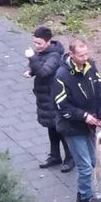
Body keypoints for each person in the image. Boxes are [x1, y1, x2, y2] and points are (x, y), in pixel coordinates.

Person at [54, 38, 101, 202]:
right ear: (71, 54)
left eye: (87, 54)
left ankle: (82, 195)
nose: (85, 58)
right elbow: (61, 105)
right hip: (72, 126)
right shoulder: (61, 76)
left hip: (89, 126)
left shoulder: (91, 69)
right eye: (81, 55)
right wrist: (84, 116)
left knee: (92, 162)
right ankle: (86, 200)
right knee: (85, 166)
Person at [23, 27, 73, 173]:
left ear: (48, 42)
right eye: (35, 43)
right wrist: (32, 71)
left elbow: (44, 72)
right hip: (45, 97)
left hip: (54, 98)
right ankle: (55, 156)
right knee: (51, 127)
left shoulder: (54, 56)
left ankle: (70, 158)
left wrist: (32, 58)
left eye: (39, 43)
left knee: (61, 129)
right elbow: (40, 67)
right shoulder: (43, 53)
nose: (36, 46)